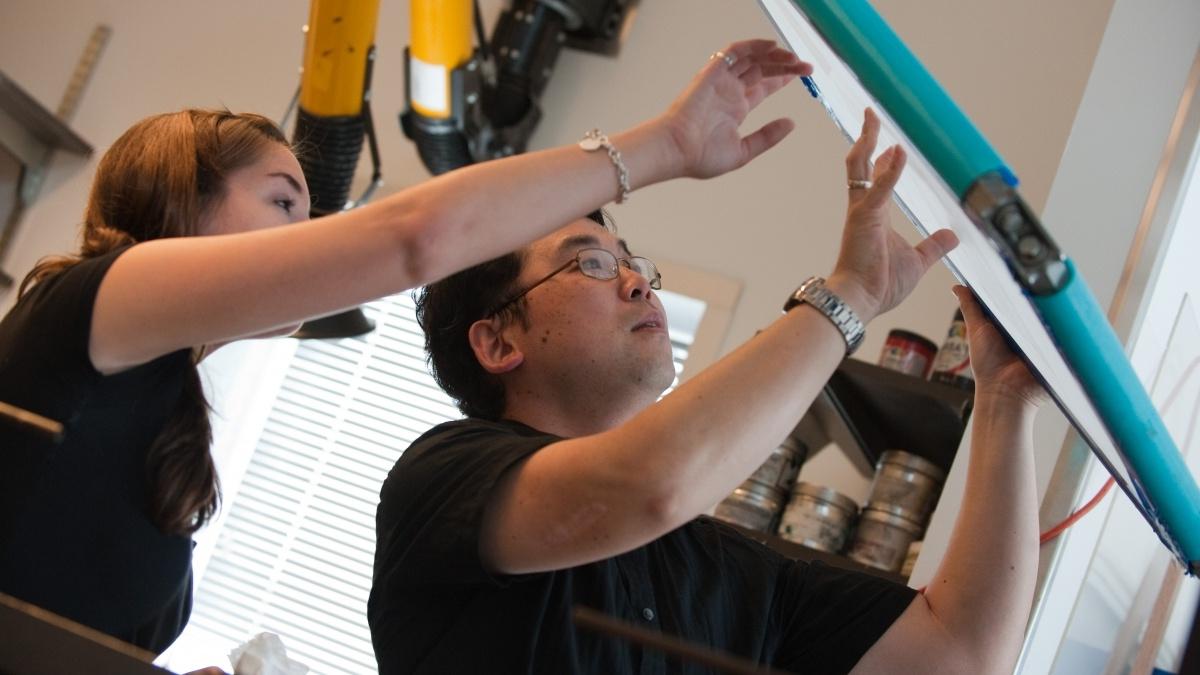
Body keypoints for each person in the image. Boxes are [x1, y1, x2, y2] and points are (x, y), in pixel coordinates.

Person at [0, 39, 810, 655]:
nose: (307, 234)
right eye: (283, 199)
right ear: (180, 198)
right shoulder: (99, 303)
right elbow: (417, 238)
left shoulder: (167, 436)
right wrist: (663, 146)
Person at [368, 103, 1044, 674]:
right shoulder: (440, 479)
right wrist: (852, 295)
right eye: (592, 263)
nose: (636, 281)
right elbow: (648, 482)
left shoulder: (731, 572)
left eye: (634, 264)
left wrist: (1004, 400)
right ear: (498, 342)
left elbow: (960, 654)